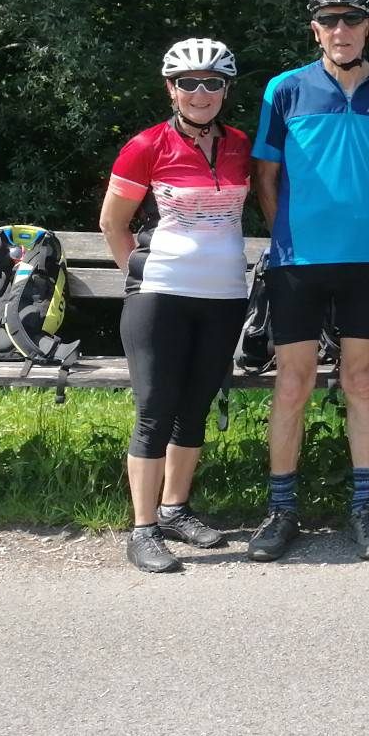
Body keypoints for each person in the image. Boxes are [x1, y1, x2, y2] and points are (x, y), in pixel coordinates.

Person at [247, 0, 369, 563]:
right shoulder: (284, 89)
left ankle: (365, 507)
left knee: (361, 380)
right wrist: (291, 233)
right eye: (328, 20)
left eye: (351, 19)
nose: (339, 30)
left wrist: (365, 221)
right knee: (291, 382)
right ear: (314, 28)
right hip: (297, 260)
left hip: (368, 258)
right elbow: (265, 176)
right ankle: (281, 509)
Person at [99, 38, 252, 574]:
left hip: (224, 296)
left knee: (195, 409)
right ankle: (142, 531)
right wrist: (142, 277)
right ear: (171, 89)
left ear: (225, 90)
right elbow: (113, 224)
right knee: (154, 410)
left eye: (212, 83)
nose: (201, 92)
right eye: (189, 83)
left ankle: (175, 509)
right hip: (160, 296)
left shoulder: (240, 145)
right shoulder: (146, 146)